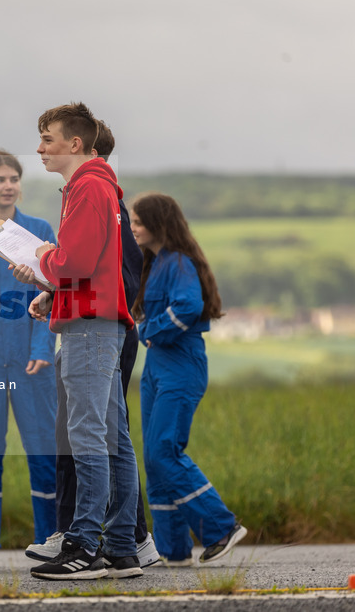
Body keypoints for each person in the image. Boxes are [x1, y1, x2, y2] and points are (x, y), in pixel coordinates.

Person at [15, 103, 141, 580]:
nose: (40, 148)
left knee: (87, 435)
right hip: (96, 319)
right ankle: (123, 545)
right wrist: (54, 293)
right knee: (115, 438)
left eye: (47, 138)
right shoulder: (96, 184)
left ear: (74, 143)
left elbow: (77, 260)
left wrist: (46, 257)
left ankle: (84, 544)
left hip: (90, 329)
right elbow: (91, 268)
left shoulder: (87, 186)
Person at [129, 191, 247, 566]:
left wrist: (150, 330)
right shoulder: (157, 261)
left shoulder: (179, 262)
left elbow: (188, 307)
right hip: (157, 368)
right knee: (154, 457)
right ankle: (173, 549)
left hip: (181, 365)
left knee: (165, 450)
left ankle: (221, 526)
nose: (132, 227)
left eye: (138, 221)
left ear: (159, 224)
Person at [0, 150, 58, 551]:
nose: (8, 186)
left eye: (14, 178)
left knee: (44, 453)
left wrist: (43, 345)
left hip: (31, 361)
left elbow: (54, 292)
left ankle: (50, 539)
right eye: (0, 179)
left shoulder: (39, 230)